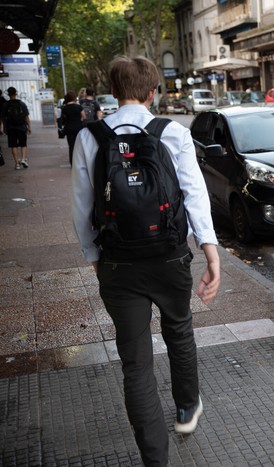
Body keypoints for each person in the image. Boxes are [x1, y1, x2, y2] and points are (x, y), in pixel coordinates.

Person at [71, 55, 221, 466]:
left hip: (118, 263)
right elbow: (194, 195)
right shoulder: (172, 132)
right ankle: (187, 409)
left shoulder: (89, 137)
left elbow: (82, 207)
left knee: (135, 362)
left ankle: (155, 459)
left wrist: (94, 258)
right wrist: (210, 254)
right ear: (153, 91)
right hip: (170, 257)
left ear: (113, 90)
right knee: (179, 330)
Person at [0, 87, 31, 170]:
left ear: (8, 94)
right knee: (23, 144)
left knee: (13, 145)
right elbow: (26, 116)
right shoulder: (22, 104)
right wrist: (29, 127)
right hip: (21, 127)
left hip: (11, 128)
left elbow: (3, 118)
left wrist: (4, 128)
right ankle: (23, 159)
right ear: (16, 93)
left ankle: (17, 163)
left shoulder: (5, 105)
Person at [60, 91, 85, 166]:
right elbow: (84, 116)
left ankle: (72, 162)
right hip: (78, 128)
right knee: (79, 145)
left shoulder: (64, 108)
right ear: (74, 98)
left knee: (71, 146)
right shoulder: (79, 107)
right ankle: (80, 161)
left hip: (69, 128)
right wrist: (79, 120)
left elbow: (62, 119)